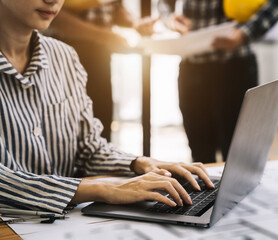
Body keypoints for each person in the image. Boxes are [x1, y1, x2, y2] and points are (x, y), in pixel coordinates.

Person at [0, 0, 213, 214]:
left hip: (62, 224)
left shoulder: (64, 57)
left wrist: (139, 164)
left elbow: (88, 149)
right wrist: (103, 188)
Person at [158, 0, 278, 163]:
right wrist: (170, 19)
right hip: (192, 69)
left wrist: (246, 32)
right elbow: (164, 3)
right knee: (200, 155)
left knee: (238, 155)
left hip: (235, 67)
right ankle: (207, 189)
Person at [48, 0, 157, 141]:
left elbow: (112, 7)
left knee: (99, 128)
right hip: (65, 51)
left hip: (101, 56)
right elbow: (54, 15)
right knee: (65, 132)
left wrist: (135, 23)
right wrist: (104, 36)